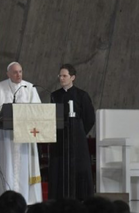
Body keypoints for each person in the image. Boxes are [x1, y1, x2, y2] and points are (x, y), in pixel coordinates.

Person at [0, 62, 42, 204]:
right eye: (15, 72)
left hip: (25, 135)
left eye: (20, 71)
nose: (18, 75)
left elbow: (38, 110)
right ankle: (5, 199)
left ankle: (25, 199)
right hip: (6, 137)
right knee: (6, 165)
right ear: (8, 73)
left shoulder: (30, 87)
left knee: (24, 167)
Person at [48, 64, 95, 200]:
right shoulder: (54, 95)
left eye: (64, 76)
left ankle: (81, 198)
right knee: (59, 167)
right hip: (60, 139)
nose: (61, 78)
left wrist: (79, 131)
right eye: (60, 76)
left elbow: (89, 118)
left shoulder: (82, 95)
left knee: (78, 168)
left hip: (77, 140)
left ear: (72, 77)